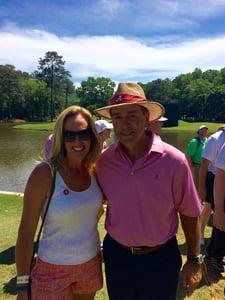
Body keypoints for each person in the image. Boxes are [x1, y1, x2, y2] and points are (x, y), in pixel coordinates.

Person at [94, 82, 202, 300]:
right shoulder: (103, 162)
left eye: (132, 115)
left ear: (147, 118)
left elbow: (190, 211)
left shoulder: (174, 161)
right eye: (117, 117)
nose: (124, 124)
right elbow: (92, 203)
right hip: (117, 255)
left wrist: (193, 259)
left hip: (160, 258)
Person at [15, 105, 104, 300]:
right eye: (69, 135)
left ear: (92, 135)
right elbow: (26, 232)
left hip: (90, 263)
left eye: (84, 133)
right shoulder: (45, 173)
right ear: (60, 138)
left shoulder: (95, 170)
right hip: (52, 268)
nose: (78, 141)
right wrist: (22, 286)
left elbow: (94, 213)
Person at [198, 126, 225, 272]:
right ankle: (201, 233)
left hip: (219, 179)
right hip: (214, 177)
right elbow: (204, 165)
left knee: (214, 210)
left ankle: (214, 249)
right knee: (209, 208)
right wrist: (201, 187)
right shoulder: (215, 138)